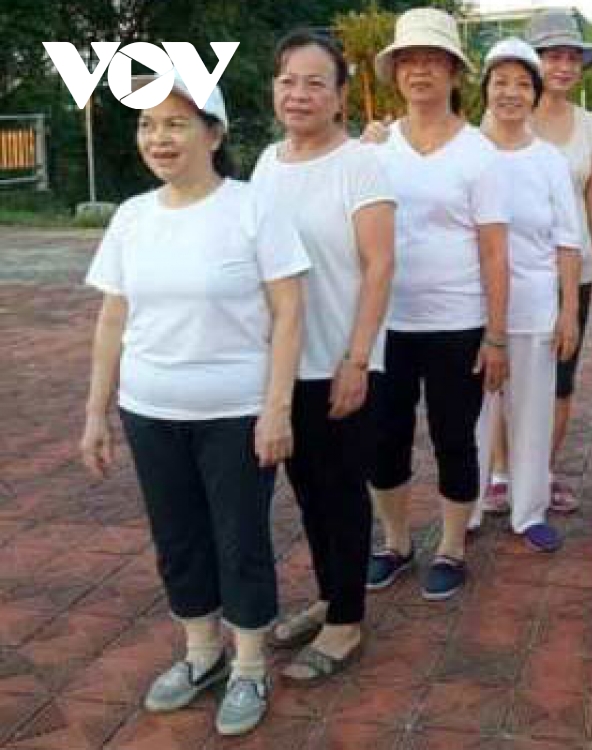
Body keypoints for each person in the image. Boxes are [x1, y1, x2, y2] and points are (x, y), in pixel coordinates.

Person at [79, 73, 308, 735]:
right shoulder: (132, 216)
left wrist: (277, 408)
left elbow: (289, 313)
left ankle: (249, 665)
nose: (159, 138)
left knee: (240, 540)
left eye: (176, 123)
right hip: (149, 411)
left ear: (213, 134)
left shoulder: (252, 207)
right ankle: (202, 654)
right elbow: (112, 319)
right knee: (177, 538)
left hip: (235, 413)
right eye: (148, 125)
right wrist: (96, 412)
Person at [251, 31, 395, 680]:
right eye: (288, 81)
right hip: (285, 364)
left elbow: (380, 264)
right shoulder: (267, 162)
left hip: (342, 358)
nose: (299, 94)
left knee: (341, 491)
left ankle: (347, 622)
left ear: (339, 97)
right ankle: (330, 596)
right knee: (307, 491)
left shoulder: (360, 164)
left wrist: (357, 358)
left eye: (315, 83)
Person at [364, 7, 510, 601]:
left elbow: (495, 253)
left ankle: (451, 546)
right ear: (395, 72)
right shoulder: (374, 149)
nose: (420, 71)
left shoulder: (479, 153)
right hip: (386, 323)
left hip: (458, 322)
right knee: (383, 438)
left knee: (454, 437)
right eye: (409, 61)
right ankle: (395, 541)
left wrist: (495, 336)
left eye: (432, 61)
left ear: (453, 72)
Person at [473, 38, 582, 552]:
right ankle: (467, 506)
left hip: (535, 303)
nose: (511, 93)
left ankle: (529, 510)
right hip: (471, 305)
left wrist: (569, 310)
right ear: (485, 90)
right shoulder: (466, 151)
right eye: (501, 82)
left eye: (522, 84)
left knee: (533, 411)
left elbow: (568, 240)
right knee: (472, 414)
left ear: (536, 94)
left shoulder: (549, 160)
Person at [522, 7, 592, 512]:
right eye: (552, 56)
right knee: (511, 374)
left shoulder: (590, 125)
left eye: (572, 58)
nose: (563, 66)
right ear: (533, 61)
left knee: (560, 377)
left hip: (573, 271)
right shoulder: (506, 116)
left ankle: (542, 473)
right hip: (516, 269)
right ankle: (503, 474)